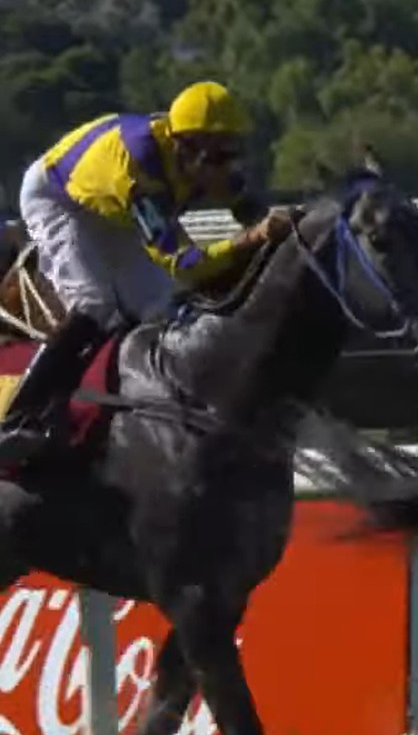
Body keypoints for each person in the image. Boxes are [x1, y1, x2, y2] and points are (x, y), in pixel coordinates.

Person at [0, 81, 290, 465]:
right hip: (59, 198)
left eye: (233, 153)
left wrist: (284, 224)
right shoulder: (141, 172)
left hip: (112, 207)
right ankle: (18, 417)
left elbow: (250, 208)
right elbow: (182, 263)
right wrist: (251, 237)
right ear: (186, 147)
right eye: (220, 157)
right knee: (95, 303)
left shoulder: (200, 159)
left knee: (161, 310)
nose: (228, 169)